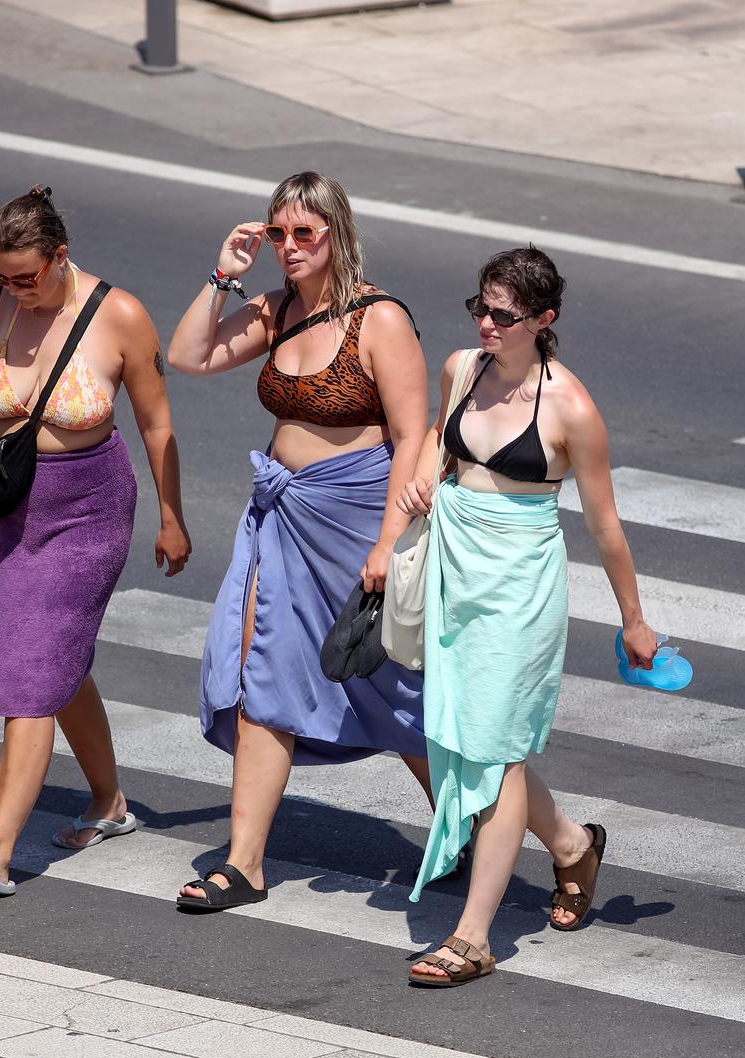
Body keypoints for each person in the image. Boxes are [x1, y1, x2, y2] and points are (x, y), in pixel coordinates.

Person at [166, 172, 432, 911]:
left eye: (303, 233)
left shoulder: (379, 319)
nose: (287, 246)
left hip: (354, 521)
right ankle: (245, 861)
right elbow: (189, 356)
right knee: (262, 668)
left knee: (395, 689)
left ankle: (530, 831)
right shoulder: (276, 309)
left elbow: (413, 435)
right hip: (281, 517)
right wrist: (223, 273)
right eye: (277, 232)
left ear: (337, 233)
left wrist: (388, 543)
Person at [400, 247, 658, 985]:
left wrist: (634, 620)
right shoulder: (461, 367)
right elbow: (434, 440)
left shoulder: (571, 407)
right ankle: (573, 844)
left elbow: (606, 525)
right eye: (478, 307)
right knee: (471, 744)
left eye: (502, 315)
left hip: (518, 588)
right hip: (456, 573)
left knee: (498, 748)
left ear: (543, 321)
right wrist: (423, 480)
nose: (485, 322)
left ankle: (473, 936)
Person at [0, 185, 191, 896]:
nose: (10, 288)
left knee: (29, 671)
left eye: (24, 276)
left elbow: (157, 422)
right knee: (53, 662)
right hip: (8, 508)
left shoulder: (121, 315)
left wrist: (171, 514)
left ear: (59, 257)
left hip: (87, 509)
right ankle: (109, 801)